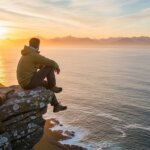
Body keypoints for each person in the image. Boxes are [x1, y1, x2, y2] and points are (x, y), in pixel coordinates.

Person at [17, 37, 67, 113]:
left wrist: (42, 68)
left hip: (24, 82)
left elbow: (37, 64)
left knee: (46, 84)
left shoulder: (27, 53)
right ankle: (52, 86)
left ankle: (56, 105)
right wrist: (57, 67)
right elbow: (51, 63)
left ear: (30, 44)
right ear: (38, 45)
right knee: (50, 67)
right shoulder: (33, 54)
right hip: (28, 83)